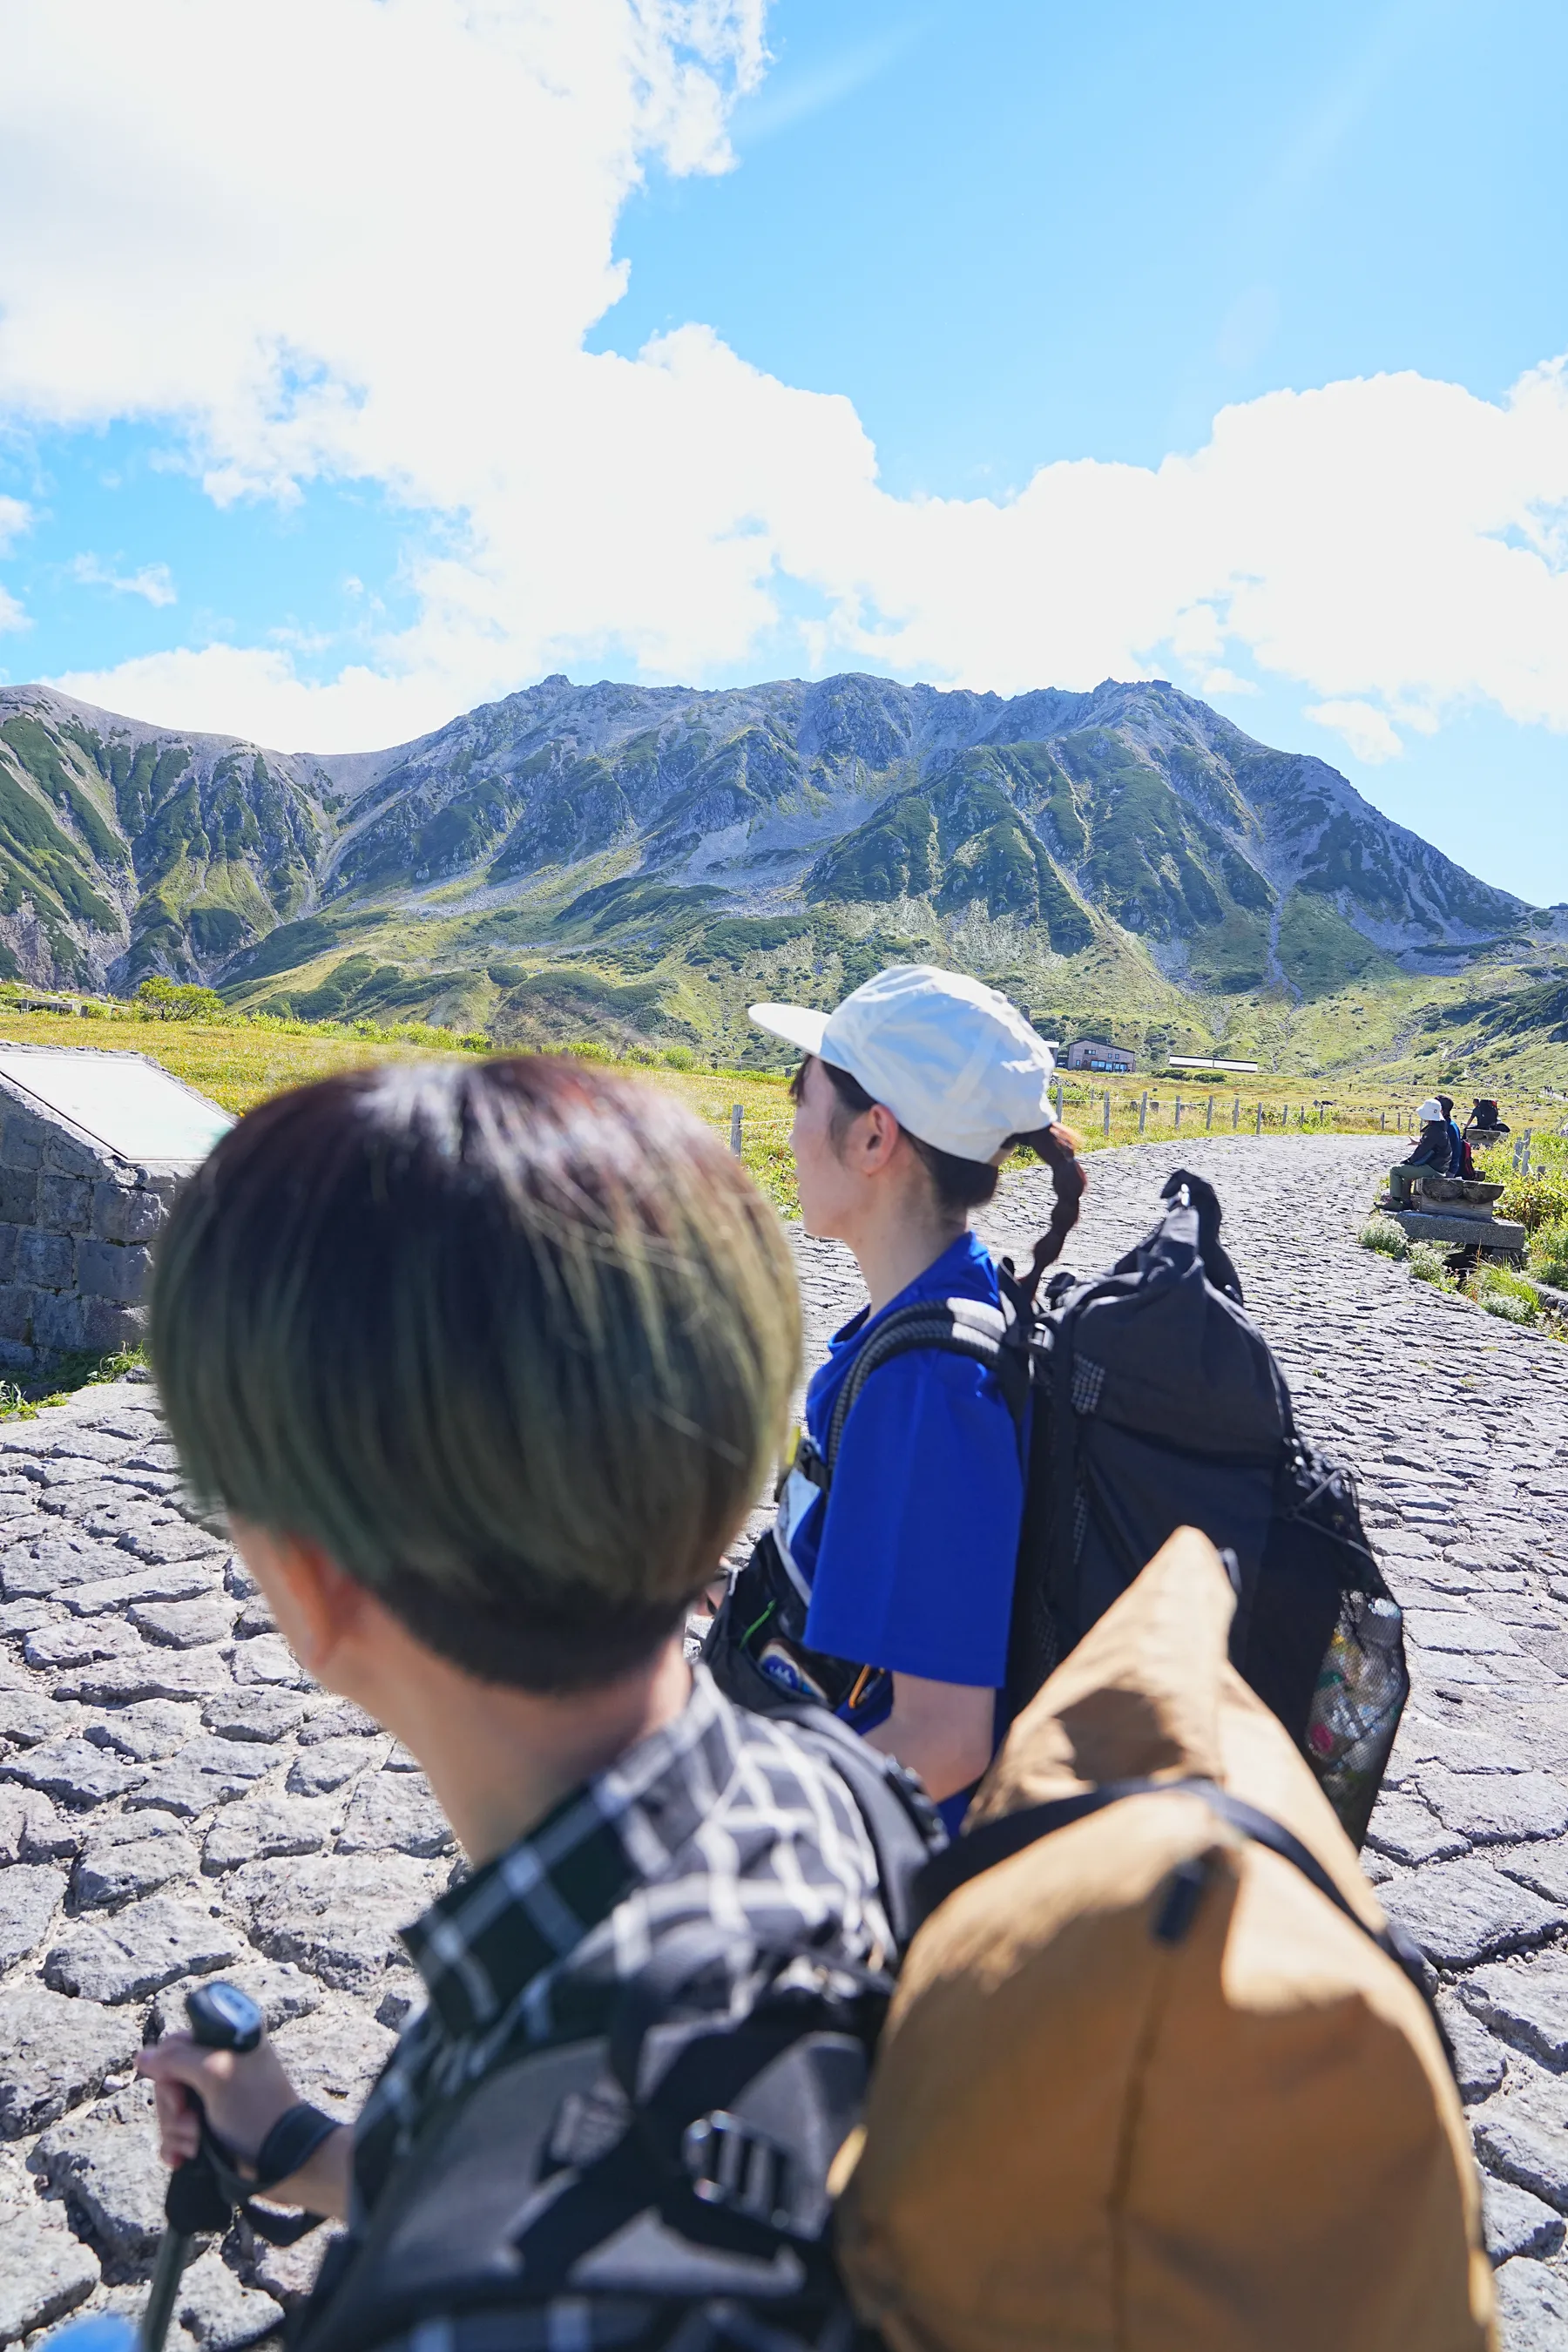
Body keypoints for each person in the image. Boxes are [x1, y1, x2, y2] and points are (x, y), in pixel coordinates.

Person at [135, 1057, 900, 2352]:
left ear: (315, 1587)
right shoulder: (831, 1786)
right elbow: (564, 2173)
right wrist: (306, 2145)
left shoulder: (470, 2319)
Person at [733, 964, 1085, 1828]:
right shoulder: (922, 1321)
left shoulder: (927, 1386)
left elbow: (942, 1738)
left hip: (876, 1877)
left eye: (801, 1096)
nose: (791, 1129)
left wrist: (731, 1833)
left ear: (873, 1139)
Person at [1398, 1096, 1456, 1176]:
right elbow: (1434, 1144)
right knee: (1408, 1171)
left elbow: (1423, 1149)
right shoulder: (1443, 1125)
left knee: (1395, 1171)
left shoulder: (1437, 1129)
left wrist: (1408, 1161)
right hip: (1442, 1166)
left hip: (1439, 1167)